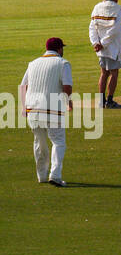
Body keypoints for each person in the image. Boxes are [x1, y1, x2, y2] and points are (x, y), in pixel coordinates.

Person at [19, 38, 74, 187]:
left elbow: (23, 86)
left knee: (39, 143)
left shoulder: (33, 63)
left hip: (33, 109)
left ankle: (42, 176)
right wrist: (68, 101)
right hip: (53, 109)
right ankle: (55, 175)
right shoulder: (63, 63)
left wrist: (24, 108)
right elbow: (67, 87)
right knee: (58, 142)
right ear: (59, 49)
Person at [89, 0, 121, 108]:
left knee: (104, 73)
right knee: (114, 73)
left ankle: (101, 101)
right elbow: (115, 30)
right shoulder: (117, 8)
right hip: (112, 47)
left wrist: (96, 43)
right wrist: (103, 43)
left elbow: (92, 27)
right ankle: (109, 101)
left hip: (100, 48)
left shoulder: (97, 7)